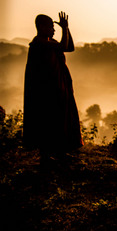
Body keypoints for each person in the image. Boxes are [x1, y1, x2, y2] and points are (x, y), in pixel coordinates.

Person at [23, 12, 83, 165]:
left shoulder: (50, 42)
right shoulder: (39, 43)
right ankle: (46, 156)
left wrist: (67, 29)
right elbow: (63, 46)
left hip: (57, 86)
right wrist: (64, 28)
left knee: (59, 120)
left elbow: (69, 47)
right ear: (41, 27)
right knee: (48, 121)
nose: (53, 30)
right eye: (51, 26)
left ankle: (60, 153)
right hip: (46, 90)